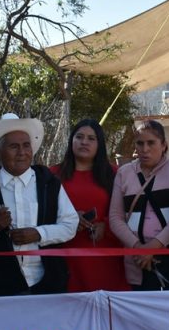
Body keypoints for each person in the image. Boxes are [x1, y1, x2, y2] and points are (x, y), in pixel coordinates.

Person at [0, 113, 78, 296]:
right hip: (1, 286)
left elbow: (70, 225)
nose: (22, 152)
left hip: (48, 284)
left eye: (26, 145)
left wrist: (39, 233)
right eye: (14, 146)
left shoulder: (49, 183)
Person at [109, 120, 169, 291]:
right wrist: (138, 248)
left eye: (151, 143)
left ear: (164, 145)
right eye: (140, 143)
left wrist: (153, 247)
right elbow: (115, 218)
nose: (145, 149)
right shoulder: (124, 173)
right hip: (136, 259)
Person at [51, 119, 130, 292]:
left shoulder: (116, 174)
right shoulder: (53, 175)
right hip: (66, 255)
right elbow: (42, 213)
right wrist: (68, 219)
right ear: (71, 141)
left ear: (100, 144)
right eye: (79, 137)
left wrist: (106, 225)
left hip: (107, 253)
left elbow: (129, 211)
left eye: (91, 138)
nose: (84, 142)